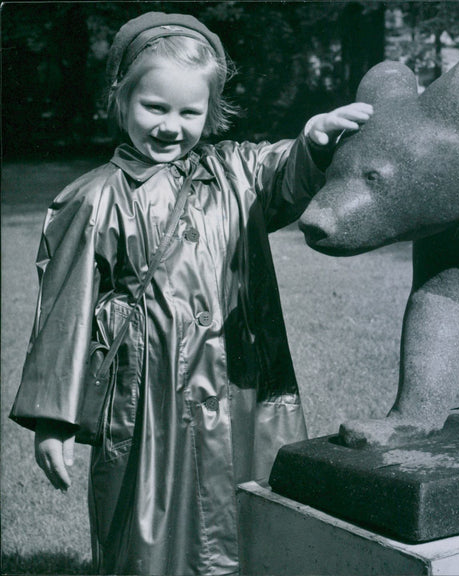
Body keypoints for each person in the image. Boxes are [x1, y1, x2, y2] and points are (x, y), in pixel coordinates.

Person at [9, 11, 372, 575]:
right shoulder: (94, 200)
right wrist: (53, 423)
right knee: (149, 532)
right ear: (121, 100)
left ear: (210, 112)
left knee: (255, 518)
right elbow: (64, 316)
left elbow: (281, 171)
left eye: (189, 111)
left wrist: (313, 143)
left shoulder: (235, 173)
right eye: (155, 107)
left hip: (242, 388)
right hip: (150, 403)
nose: (170, 126)